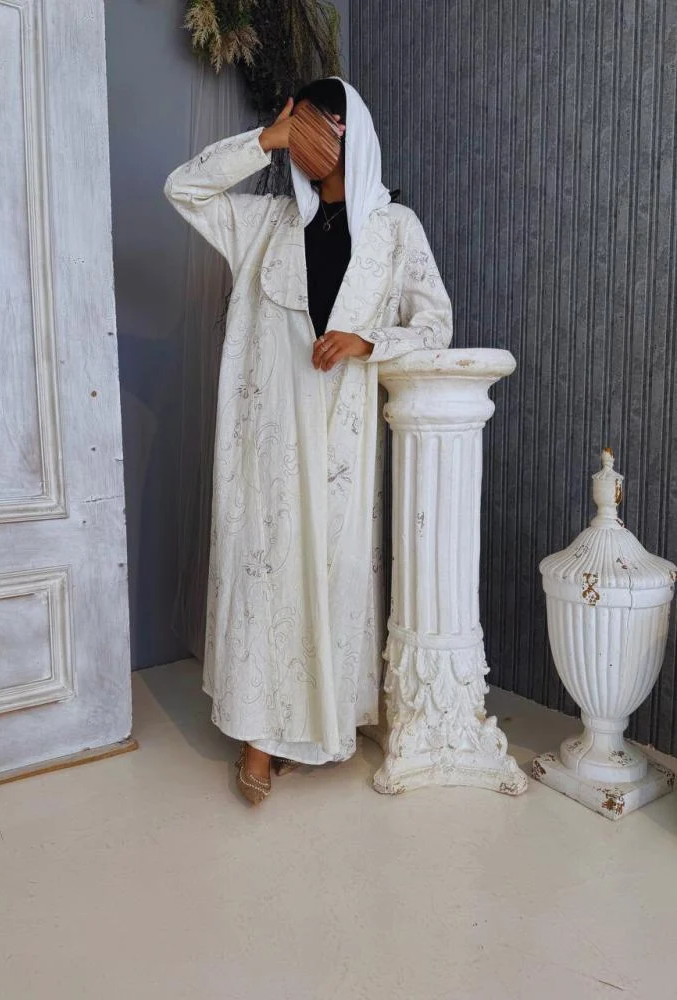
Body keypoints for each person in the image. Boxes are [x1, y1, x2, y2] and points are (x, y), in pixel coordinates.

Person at [164, 77, 452, 804]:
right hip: (266, 436)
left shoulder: (394, 227)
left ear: (353, 132)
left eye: (322, 122)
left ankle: (316, 726)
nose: (310, 136)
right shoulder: (265, 222)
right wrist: (266, 140)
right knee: (265, 573)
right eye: (300, 123)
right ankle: (257, 739)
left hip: (343, 439)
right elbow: (183, 189)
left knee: (331, 573)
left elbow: (435, 324)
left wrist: (369, 341)